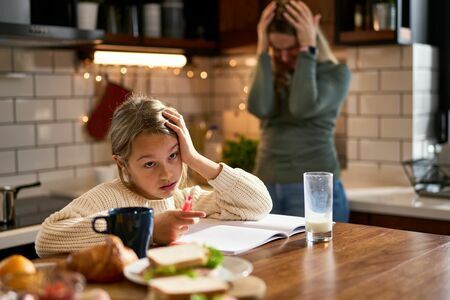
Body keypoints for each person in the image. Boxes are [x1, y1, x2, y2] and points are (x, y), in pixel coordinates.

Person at [36, 95, 272, 257]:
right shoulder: (108, 197)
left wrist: (195, 159)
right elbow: (46, 239)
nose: (167, 173)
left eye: (173, 155)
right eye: (149, 163)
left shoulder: (182, 200)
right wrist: (146, 228)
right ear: (123, 164)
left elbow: (258, 204)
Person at [247, 0, 351, 221]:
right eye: (278, 49)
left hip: (314, 190)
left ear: (310, 39)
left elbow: (302, 108)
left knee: (319, 256)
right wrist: (262, 49)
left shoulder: (335, 73)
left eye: (292, 48)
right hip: (265, 187)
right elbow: (259, 108)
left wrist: (307, 51)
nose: (284, 57)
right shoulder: (269, 72)